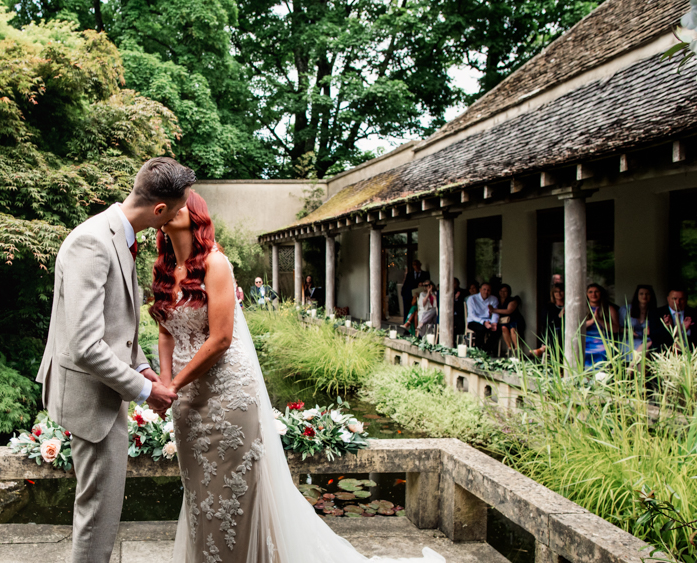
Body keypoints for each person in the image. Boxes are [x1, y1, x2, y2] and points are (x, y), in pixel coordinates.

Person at [152, 191, 444, 563]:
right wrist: (164, 382)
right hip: (187, 405)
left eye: (179, 202)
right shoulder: (162, 270)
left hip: (227, 397)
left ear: (195, 214)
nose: (171, 207)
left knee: (233, 499)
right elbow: (165, 331)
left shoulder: (216, 264)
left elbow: (222, 338)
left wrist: (174, 385)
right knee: (200, 496)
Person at [36, 157, 187, 563]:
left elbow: (115, 326)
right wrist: (145, 391)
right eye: (176, 210)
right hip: (90, 397)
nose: (178, 217)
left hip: (106, 386)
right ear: (159, 211)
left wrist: (141, 367)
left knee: (103, 508)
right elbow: (86, 344)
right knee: (98, 513)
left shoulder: (118, 236)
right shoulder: (93, 242)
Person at [583, 283, 620, 367]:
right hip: (586, 342)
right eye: (590, 292)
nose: (593, 294)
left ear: (601, 293)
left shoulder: (609, 308)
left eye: (596, 292)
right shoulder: (582, 308)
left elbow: (615, 329)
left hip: (604, 342)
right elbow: (576, 328)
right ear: (586, 294)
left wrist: (599, 320)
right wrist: (592, 321)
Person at [652, 287, 697, 351]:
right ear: (668, 299)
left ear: (686, 299)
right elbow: (653, 336)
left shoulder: (694, 313)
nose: (678, 302)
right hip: (665, 352)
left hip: (690, 351)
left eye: (681, 299)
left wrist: (687, 330)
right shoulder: (657, 313)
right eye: (674, 299)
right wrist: (666, 327)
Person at [619, 285, 656, 354]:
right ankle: (634, 363)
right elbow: (617, 328)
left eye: (647, 294)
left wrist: (651, 331)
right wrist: (627, 330)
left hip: (647, 341)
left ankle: (633, 364)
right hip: (628, 340)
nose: (644, 296)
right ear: (637, 296)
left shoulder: (655, 312)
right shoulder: (626, 309)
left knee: (647, 347)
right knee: (643, 351)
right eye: (641, 294)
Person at [466, 282, 500, 353]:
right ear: (480, 290)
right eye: (484, 289)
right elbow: (472, 315)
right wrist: (483, 322)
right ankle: (478, 350)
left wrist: (494, 322)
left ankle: (485, 349)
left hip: (488, 320)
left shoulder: (494, 299)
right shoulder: (472, 299)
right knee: (481, 329)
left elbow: (495, 312)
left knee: (497, 330)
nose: (486, 292)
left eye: (488, 290)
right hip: (474, 321)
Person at [490, 284, 524, 356]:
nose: (503, 293)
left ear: (509, 292)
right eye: (501, 291)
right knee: (504, 327)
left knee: (513, 329)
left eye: (505, 291)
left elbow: (509, 311)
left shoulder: (513, 300)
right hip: (503, 321)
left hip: (515, 319)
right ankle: (510, 349)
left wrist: (494, 310)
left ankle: (517, 350)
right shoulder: (496, 300)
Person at [533, 283, 564, 357]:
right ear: (553, 294)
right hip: (552, 333)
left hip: (566, 333)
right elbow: (546, 323)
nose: (558, 293)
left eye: (561, 291)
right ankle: (545, 347)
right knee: (555, 333)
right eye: (556, 291)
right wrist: (559, 316)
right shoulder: (548, 307)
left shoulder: (569, 306)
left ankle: (544, 349)